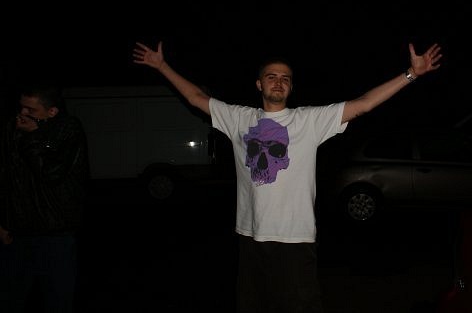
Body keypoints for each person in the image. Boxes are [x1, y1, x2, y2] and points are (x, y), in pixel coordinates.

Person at [132, 40, 442, 313]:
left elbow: (363, 104)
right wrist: (162, 66)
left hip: (294, 239)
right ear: (259, 84)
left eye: (285, 78)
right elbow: (195, 97)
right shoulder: (239, 118)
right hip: (250, 236)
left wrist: (411, 74)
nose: (278, 82)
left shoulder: (308, 121)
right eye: (271, 76)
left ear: (291, 88)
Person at [0, 82, 90, 313]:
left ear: (52, 111)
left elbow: (52, 174)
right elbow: (9, 176)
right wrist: (5, 220)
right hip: (20, 232)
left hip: (55, 233)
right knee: (11, 298)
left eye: (31, 109)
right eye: (21, 107)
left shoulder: (68, 128)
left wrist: (33, 136)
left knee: (57, 300)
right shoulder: (13, 128)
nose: (23, 113)